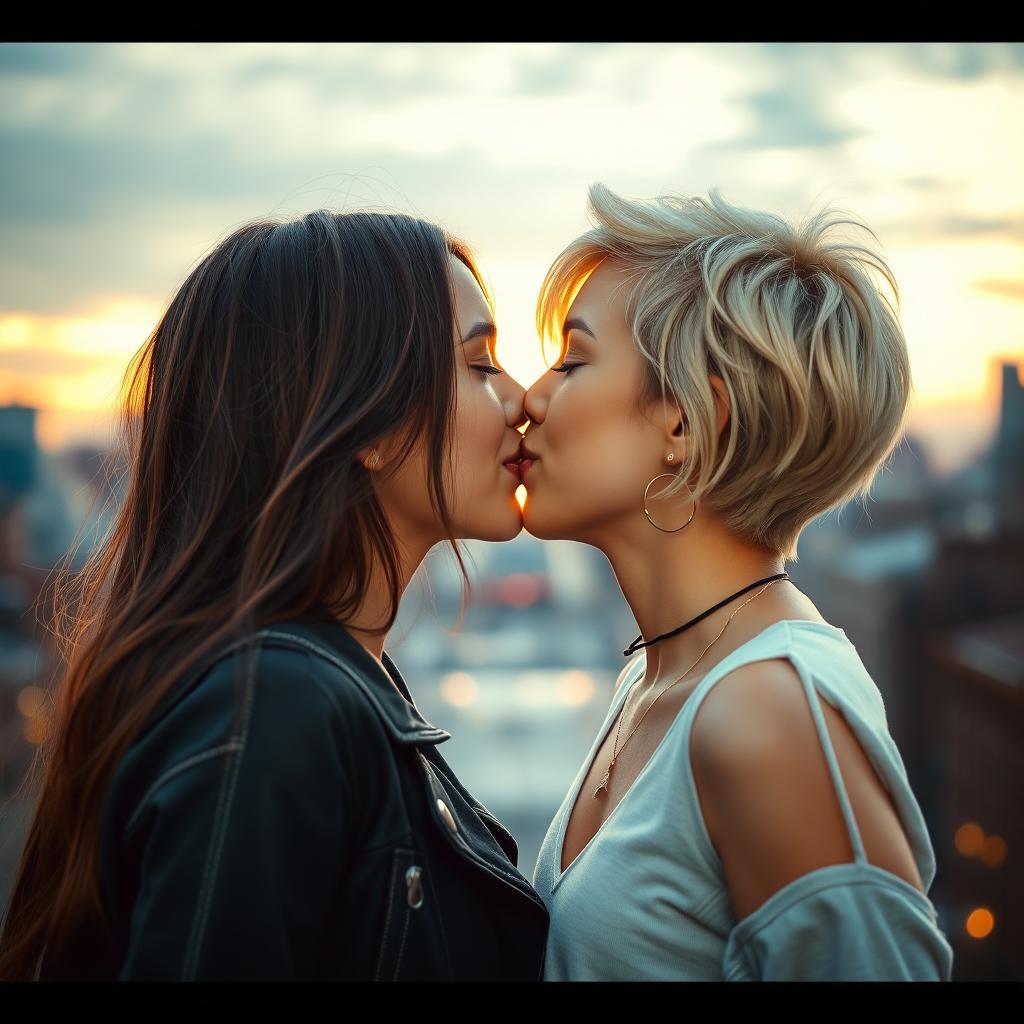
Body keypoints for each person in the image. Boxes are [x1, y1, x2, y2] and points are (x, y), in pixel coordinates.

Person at [0, 209, 547, 981]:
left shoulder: (313, 687)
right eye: (481, 365)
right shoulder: (276, 706)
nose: (522, 399)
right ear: (371, 423)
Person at [521, 182, 955, 981]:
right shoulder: (657, 678)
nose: (529, 398)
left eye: (573, 359)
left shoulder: (768, 713)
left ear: (686, 420)